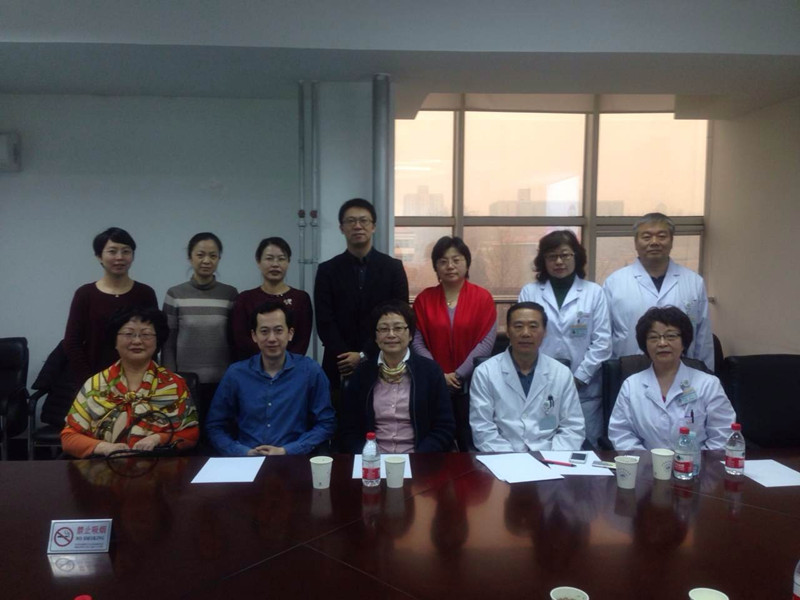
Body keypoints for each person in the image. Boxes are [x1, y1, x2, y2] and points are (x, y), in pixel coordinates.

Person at [61, 306, 199, 458]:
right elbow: (69, 438)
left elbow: (191, 434)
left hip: (159, 466)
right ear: (115, 341)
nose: (137, 341)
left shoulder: (174, 384)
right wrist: (104, 448)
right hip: (103, 466)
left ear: (157, 341)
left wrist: (158, 439)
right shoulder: (95, 384)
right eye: (128, 334)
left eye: (146, 334)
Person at [518, 230, 611, 447]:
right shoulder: (530, 292)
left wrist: (579, 378)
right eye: (552, 256)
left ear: (576, 257)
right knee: (540, 444)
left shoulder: (594, 293)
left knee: (584, 449)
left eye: (565, 255)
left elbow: (603, 342)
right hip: (540, 384)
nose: (559, 261)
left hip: (584, 388)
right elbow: (524, 337)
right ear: (543, 260)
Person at [205, 301, 335, 456]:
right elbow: (215, 426)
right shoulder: (236, 374)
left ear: (290, 333)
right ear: (254, 335)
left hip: (294, 459)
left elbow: (326, 423)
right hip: (245, 460)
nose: (272, 338)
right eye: (264, 331)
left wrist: (288, 450)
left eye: (278, 331)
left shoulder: (310, 371)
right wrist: (242, 452)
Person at [608, 306, 735, 451]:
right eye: (654, 337)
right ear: (645, 344)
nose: (662, 343)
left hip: (698, 463)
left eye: (671, 336)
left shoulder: (708, 384)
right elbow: (621, 433)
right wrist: (649, 461)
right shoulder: (631, 385)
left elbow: (723, 433)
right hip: (646, 462)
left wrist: (694, 461)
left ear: (684, 342)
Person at [314, 198, 409, 391]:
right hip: (339, 363)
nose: (357, 226)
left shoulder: (393, 268)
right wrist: (345, 356)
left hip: (383, 358)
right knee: (338, 409)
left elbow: (401, 314)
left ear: (373, 227)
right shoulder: (327, 270)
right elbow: (324, 320)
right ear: (341, 228)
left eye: (363, 220)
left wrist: (364, 354)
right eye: (351, 221)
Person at [412, 236, 496, 451]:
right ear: (435, 267)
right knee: (437, 441)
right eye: (443, 261)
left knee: (471, 442)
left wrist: (458, 375)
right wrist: (439, 374)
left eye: (456, 260)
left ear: (467, 263)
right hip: (433, 383)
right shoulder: (424, 299)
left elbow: (486, 342)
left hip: (472, 383)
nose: (450, 266)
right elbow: (417, 342)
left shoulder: (483, 298)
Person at [339, 301, 455, 453]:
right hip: (372, 459)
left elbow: (444, 427)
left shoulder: (430, 372)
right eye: (383, 329)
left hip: (419, 457)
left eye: (398, 328)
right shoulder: (362, 373)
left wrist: (419, 457)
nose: (391, 334)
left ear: (411, 334)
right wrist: (368, 455)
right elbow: (348, 428)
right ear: (375, 337)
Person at [603, 212, 714, 370]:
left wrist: (706, 374)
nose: (654, 242)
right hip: (629, 370)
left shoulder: (694, 282)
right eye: (646, 237)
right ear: (635, 243)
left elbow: (703, 338)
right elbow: (604, 337)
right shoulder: (614, 282)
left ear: (672, 241)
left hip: (683, 372)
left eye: (661, 236)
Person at [470, 302, 585, 451]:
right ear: (508, 331)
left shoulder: (561, 373)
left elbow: (572, 427)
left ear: (544, 332)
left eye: (533, 326)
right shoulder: (485, 372)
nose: (525, 333)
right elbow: (482, 428)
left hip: (551, 455)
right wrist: (513, 460)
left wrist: (553, 458)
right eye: (518, 326)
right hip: (501, 456)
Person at [64, 227, 158, 386]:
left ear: (133, 256)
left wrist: (146, 378)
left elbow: (154, 338)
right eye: (112, 251)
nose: (119, 257)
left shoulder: (145, 293)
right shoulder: (85, 294)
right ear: (99, 256)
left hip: (138, 380)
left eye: (126, 251)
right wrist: (90, 381)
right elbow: (72, 342)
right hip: (94, 380)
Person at [162, 232, 238, 425]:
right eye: (200, 254)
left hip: (223, 382)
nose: (206, 261)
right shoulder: (175, 294)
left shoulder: (229, 294)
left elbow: (234, 340)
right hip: (185, 382)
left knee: (219, 431)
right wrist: (171, 379)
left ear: (219, 259)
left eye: (213, 255)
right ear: (190, 257)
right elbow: (167, 342)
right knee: (188, 432)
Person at [231, 237, 313, 358]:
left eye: (281, 259)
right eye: (269, 258)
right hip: (252, 366)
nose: (275, 264)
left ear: (288, 262)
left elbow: (302, 341)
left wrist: (283, 363)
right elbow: (241, 340)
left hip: (292, 366)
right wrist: (265, 362)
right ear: (258, 261)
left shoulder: (301, 299)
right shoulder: (244, 299)